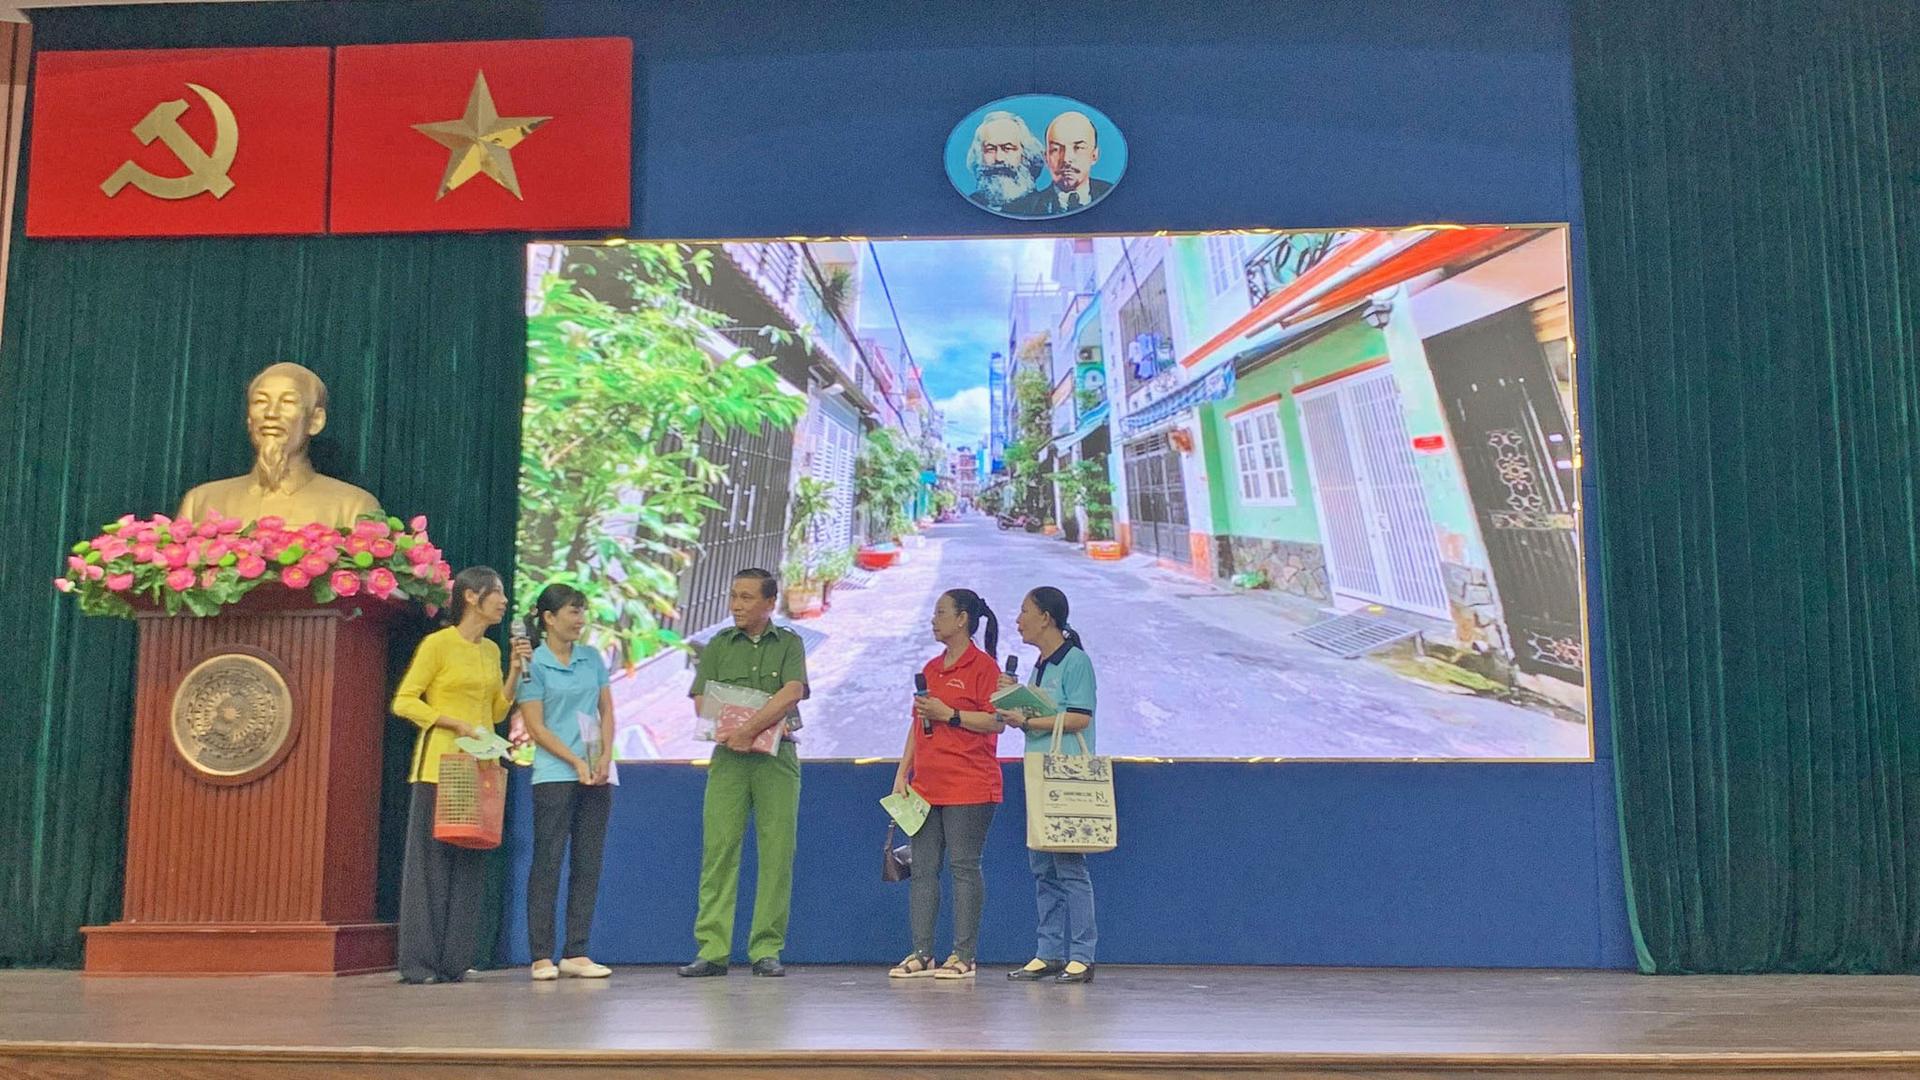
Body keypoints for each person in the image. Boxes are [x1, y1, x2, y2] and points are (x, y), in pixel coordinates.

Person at [390, 565, 530, 985]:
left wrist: (515, 671)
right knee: (430, 866)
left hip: (478, 768)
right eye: (497, 592)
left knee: (469, 861)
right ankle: (419, 964)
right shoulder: (438, 644)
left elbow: (497, 711)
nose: (504, 601)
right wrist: (452, 723)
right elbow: (404, 701)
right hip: (440, 765)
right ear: (471, 596)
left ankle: (454, 960)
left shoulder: (490, 650)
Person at [678, 569, 809, 978]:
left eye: (747, 597)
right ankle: (712, 950)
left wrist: (749, 729)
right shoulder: (719, 644)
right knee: (719, 851)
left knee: (777, 853)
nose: (736, 605)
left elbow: (792, 692)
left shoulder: (788, 643)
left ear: (770, 603)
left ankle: (766, 949)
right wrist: (733, 732)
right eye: (734, 596)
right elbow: (702, 699)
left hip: (777, 758)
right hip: (729, 759)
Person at [888, 589, 1007, 980]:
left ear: (962, 619)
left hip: (970, 784)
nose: (933, 619)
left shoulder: (985, 667)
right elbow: (917, 723)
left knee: (963, 867)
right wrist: (903, 772)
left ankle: (964, 955)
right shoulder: (932, 667)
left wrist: (951, 714)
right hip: (927, 785)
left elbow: (996, 721)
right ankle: (922, 952)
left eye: (941, 612)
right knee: (923, 869)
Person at [997, 585, 1099, 983]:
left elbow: (1079, 717)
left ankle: (1083, 954)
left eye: (1024, 611)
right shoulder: (1039, 665)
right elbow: (1040, 716)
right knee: (1042, 868)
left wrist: (1027, 720)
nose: (1018, 620)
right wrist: (1012, 704)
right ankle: (1049, 951)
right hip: (1039, 774)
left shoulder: (1076, 661)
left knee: (1070, 867)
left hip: (1066, 776)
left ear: (1046, 617)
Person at [518, 583, 615, 982]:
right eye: (573, 612)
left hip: (596, 773)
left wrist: (604, 757)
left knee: (588, 863)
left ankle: (577, 951)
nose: (580, 620)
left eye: (582, 611)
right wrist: (574, 760)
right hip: (555, 775)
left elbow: (606, 711)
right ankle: (541, 955)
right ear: (549, 618)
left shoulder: (591, 658)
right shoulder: (533, 663)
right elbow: (536, 727)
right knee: (548, 862)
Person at [176, 361, 382, 528]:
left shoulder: (354, 506)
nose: (271, 413)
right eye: (260, 402)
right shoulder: (202, 501)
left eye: (288, 402)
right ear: (249, 418)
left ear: (315, 421)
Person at [1007, 112, 1113, 218]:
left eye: (1078, 148)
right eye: (1056, 149)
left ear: (1094, 155)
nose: (1066, 159)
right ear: (1046, 158)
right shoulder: (1024, 209)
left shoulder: (1113, 196)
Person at [963, 109, 1047, 212]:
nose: (999, 158)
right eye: (990, 149)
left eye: (1007, 148)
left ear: (1025, 155)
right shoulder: (968, 205)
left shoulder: (1042, 207)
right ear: (980, 156)